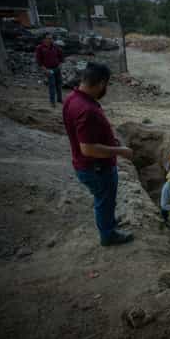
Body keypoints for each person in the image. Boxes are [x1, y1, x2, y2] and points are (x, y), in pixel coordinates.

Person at [62, 62, 134, 246]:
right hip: (96, 168)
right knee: (104, 199)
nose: (106, 89)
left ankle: (107, 221)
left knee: (104, 199)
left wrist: (110, 141)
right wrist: (121, 151)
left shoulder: (72, 99)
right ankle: (108, 235)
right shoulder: (87, 110)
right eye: (107, 85)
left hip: (89, 166)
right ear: (101, 83)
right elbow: (88, 148)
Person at [35, 33, 64, 108]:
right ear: (44, 39)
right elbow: (39, 61)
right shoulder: (40, 48)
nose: (50, 40)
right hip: (48, 70)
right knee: (52, 85)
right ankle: (52, 102)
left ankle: (60, 99)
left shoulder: (55, 47)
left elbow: (61, 56)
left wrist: (60, 65)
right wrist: (45, 70)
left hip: (57, 68)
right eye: (48, 38)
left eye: (51, 38)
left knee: (59, 85)